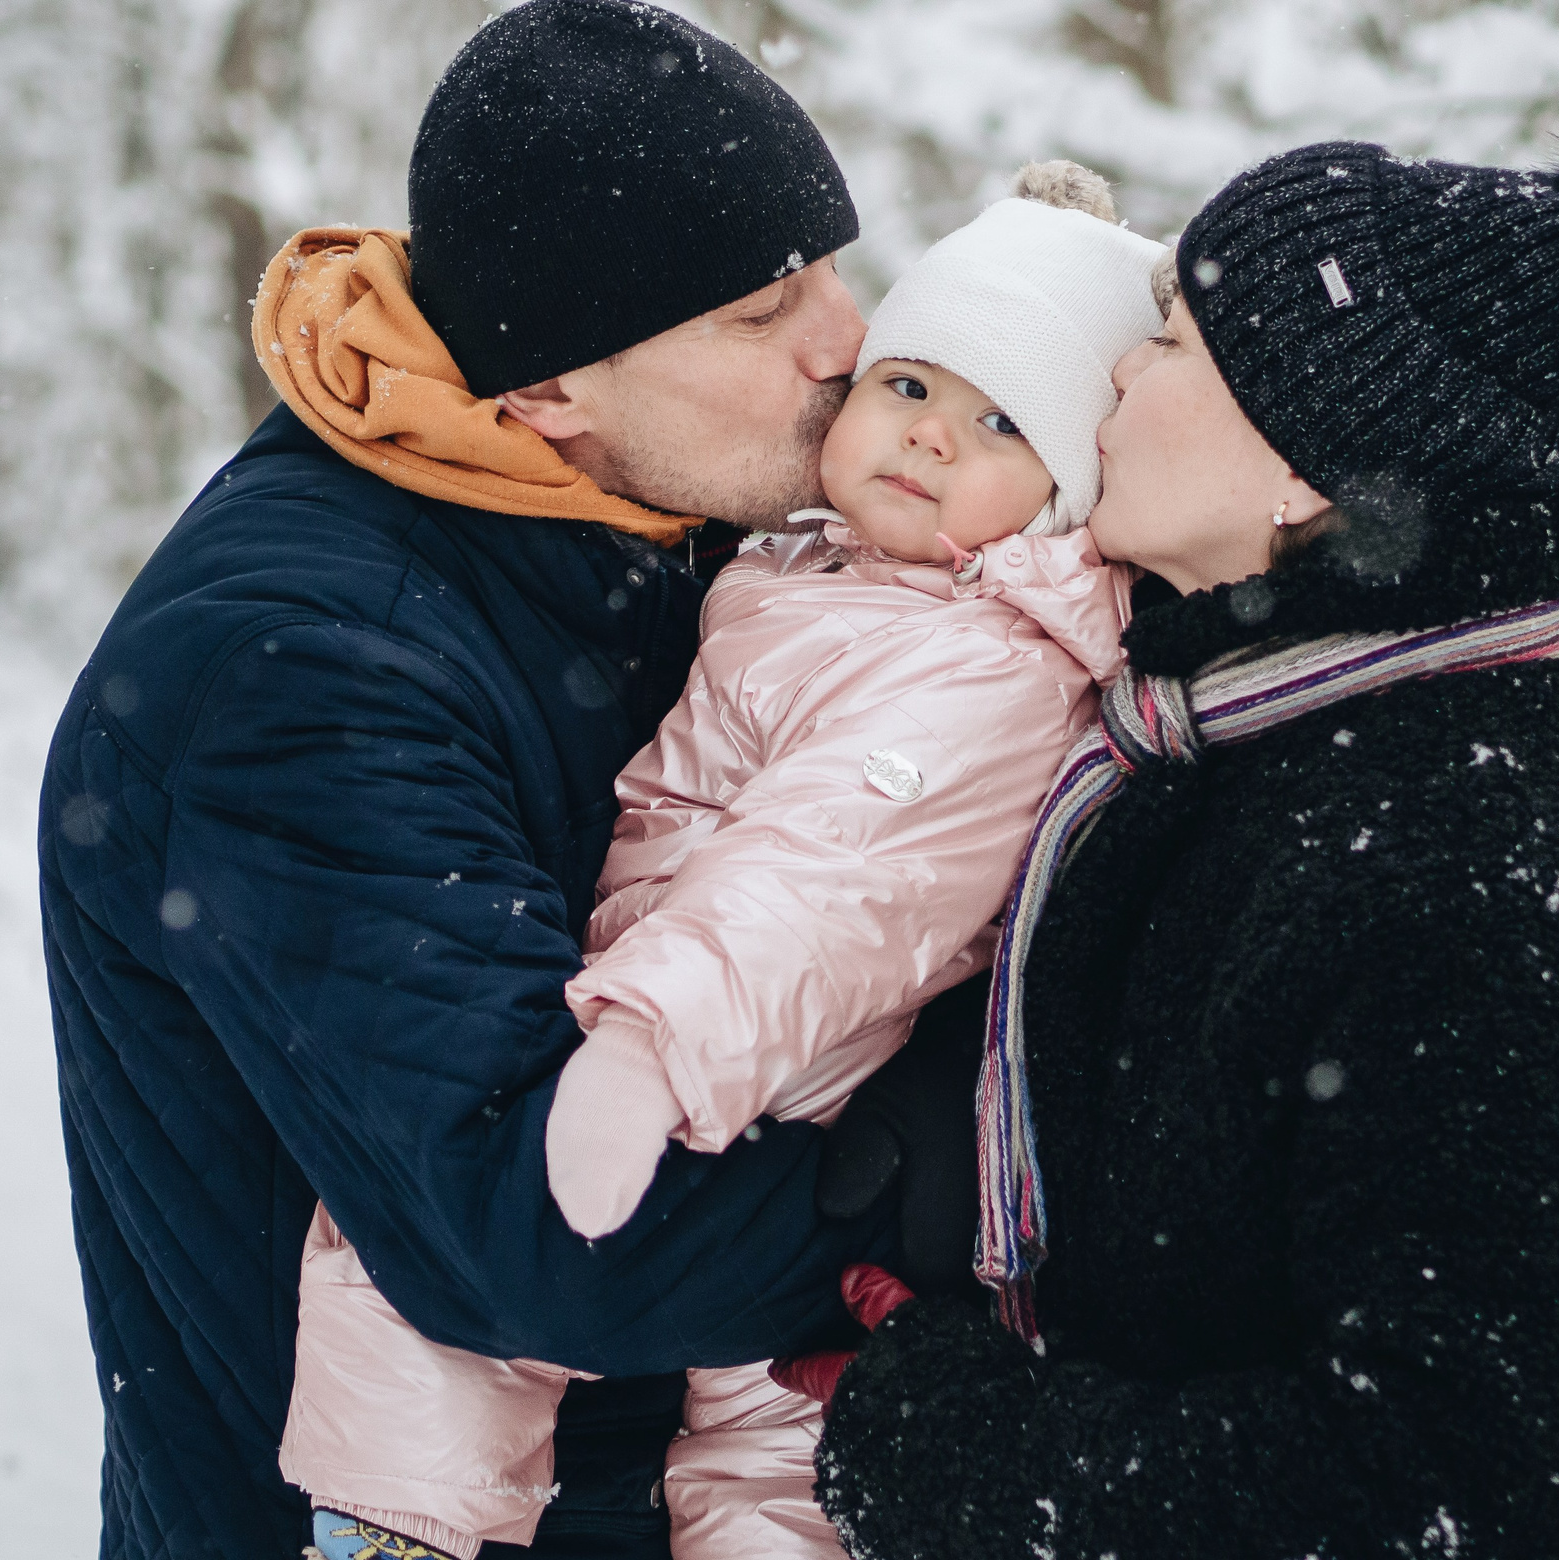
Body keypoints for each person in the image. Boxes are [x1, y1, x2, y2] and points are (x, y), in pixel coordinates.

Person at [797, 103, 1559, 1559]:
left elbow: (1426, 1496)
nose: (1120, 369)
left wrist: (950, 1446)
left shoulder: (1496, 892)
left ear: (1307, 469)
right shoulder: (1257, 755)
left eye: (1174, 341)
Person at [40, 0, 965, 1560]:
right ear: (544, 393)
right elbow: (544, 1224)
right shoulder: (297, 669)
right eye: (763, 311)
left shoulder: (661, 528)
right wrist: (975, 1191)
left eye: (827, 266)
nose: (846, 338)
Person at [277, 164, 1164, 1560]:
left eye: (1003, 423)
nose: (931, 436)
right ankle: (391, 1520)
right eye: (910, 384)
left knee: (780, 1439)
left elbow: (828, 880)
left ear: (1068, 494)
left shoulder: (988, 659)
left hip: (789, 1064)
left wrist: (655, 1043)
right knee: (416, 1246)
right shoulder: (798, 563)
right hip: (692, 1012)